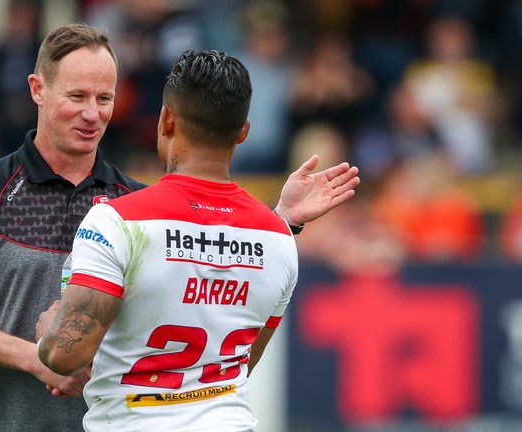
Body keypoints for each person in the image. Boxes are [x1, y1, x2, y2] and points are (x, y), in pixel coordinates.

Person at [0, 23, 359, 432]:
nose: (92, 114)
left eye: (104, 99)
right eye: (77, 96)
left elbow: (204, 283)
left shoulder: (132, 206)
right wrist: (35, 359)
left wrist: (282, 222)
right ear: (38, 89)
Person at [36, 48, 357, 431]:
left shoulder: (116, 223)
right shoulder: (280, 239)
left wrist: (48, 327)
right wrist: (283, 220)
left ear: (166, 119)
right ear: (242, 132)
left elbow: (64, 355)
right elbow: (242, 361)